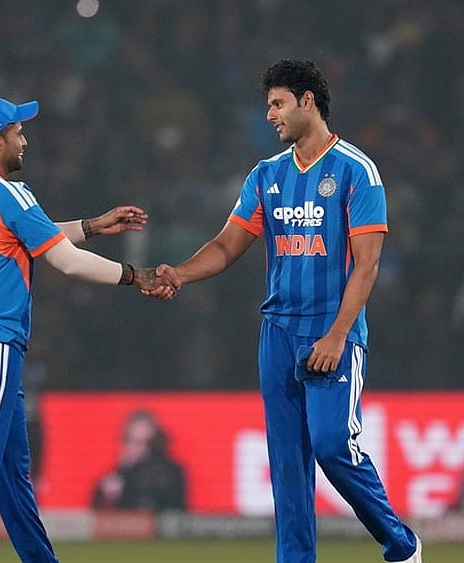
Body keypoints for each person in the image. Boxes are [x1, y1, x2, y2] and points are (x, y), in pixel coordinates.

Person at [149, 59, 421, 563]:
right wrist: (180, 274)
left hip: (331, 332)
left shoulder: (356, 171)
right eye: (268, 106)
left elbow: (367, 266)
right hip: (277, 334)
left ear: (307, 101)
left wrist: (339, 335)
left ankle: (402, 544)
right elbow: (228, 244)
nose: (270, 116)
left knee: (333, 445)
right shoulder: (266, 175)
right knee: (288, 467)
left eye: (277, 104)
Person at [0, 94, 170, 563]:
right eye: (17, 132)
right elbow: (65, 261)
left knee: (11, 477)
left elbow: (25, 233)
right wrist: (135, 276)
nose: (24, 139)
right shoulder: (10, 192)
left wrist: (93, 224)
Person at [92, 410, 187, 512]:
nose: (141, 448)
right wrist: (107, 499)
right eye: (135, 442)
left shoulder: (172, 473)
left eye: (147, 442)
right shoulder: (113, 481)